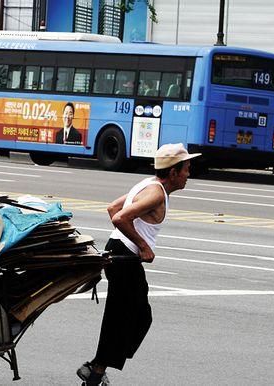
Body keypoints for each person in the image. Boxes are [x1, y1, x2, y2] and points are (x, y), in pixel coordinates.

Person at [77, 143, 201, 386]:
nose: (189, 174)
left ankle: (97, 368)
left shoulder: (148, 185)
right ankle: (95, 370)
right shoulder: (155, 193)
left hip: (120, 252)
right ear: (174, 172)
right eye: (186, 169)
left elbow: (113, 206)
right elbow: (119, 216)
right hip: (124, 255)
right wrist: (143, 245)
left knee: (133, 315)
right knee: (129, 316)